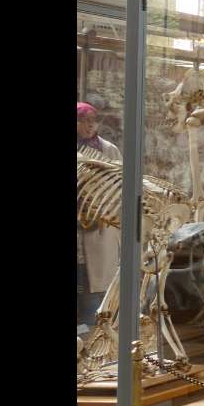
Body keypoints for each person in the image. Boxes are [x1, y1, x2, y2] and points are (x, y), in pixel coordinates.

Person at [77, 103, 122, 331]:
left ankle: (96, 344)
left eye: (93, 119)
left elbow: (119, 187)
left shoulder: (109, 150)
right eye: (83, 120)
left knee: (98, 297)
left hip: (100, 230)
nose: (89, 124)